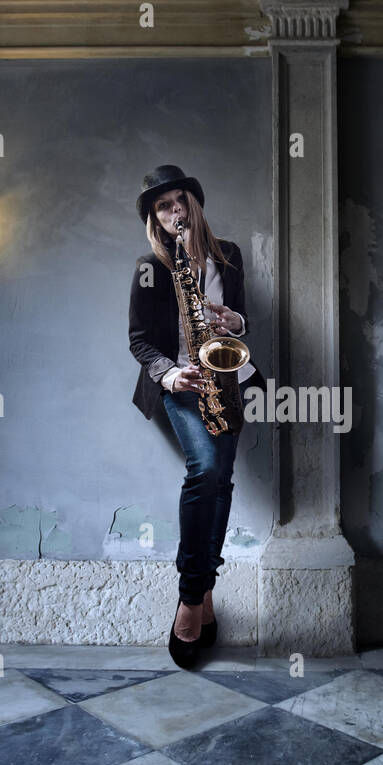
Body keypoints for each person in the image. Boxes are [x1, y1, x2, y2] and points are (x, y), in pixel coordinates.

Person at [128, 165, 265, 668]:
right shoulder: (151, 265)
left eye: (179, 199)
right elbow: (139, 341)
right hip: (184, 381)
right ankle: (191, 597)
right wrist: (169, 374)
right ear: (155, 219)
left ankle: (205, 593)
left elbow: (242, 318)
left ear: (194, 202)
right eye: (163, 206)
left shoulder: (229, 255)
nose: (175, 210)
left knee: (222, 481)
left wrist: (235, 321)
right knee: (206, 472)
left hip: (227, 374)